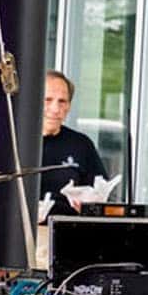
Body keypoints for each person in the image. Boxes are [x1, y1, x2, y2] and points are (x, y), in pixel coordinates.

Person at [40, 70, 108, 214]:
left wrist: (90, 205)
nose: (55, 109)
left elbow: (102, 194)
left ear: (69, 106)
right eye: (48, 100)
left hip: (68, 229)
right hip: (17, 229)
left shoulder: (81, 144)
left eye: (62, 101)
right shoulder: (15, 141)